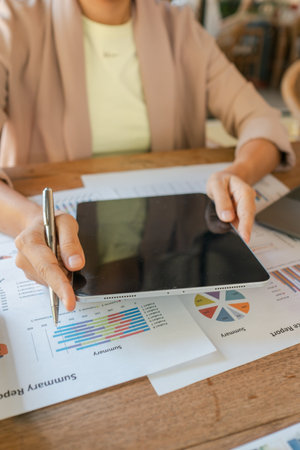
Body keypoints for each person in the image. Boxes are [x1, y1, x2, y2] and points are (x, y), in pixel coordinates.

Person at [0, 0, 295, 313]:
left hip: (168, 240)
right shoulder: (13, 22)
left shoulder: (181, 28)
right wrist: (32, 221)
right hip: (60, 223)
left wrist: (240, 171)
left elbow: (262, 120)